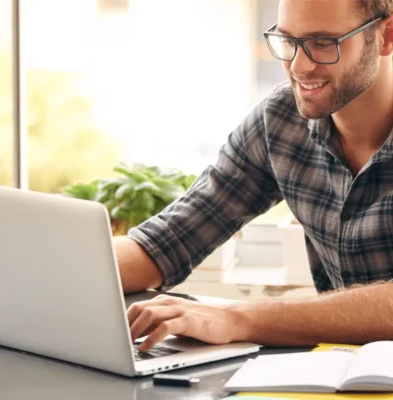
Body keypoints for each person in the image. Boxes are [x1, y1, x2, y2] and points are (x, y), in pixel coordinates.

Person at [114, 0, 393, 352]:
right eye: (288, 41)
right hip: (343, 375)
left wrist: (234, 318)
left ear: (386, 35)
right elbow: (169, 241)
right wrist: (50, 274)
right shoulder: (281, 120)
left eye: (324, 43)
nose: (298, 66)